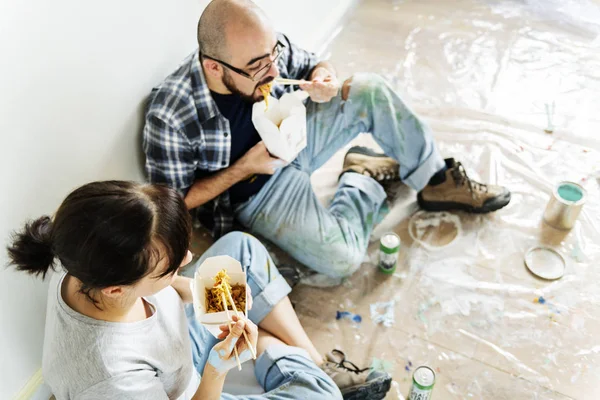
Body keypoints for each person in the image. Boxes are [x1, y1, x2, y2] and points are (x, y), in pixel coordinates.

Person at [143, 0, 511, 281]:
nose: (273, 70)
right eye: (258, 67)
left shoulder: (266, 52)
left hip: (298, 135)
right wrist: (244, 168)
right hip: (257, 189)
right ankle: (361, 177)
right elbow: (174, 203)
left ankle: (435, 180)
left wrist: (325, 79)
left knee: (367, 89)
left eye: (274, 54)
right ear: (214, 67)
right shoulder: (172, 114)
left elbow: (318, 63)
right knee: (343, 261)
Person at [6, 181, 391, 399]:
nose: (189, 257)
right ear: (116, 289)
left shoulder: (80, 255)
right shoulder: (112, 379)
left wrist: (195, 291)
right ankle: (291, 363)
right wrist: (217, 369)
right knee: (319, 397)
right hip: (184, 389)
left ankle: (308, 360)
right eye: (173, 264)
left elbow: (169, 280)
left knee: (241, 249)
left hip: (172, 350)